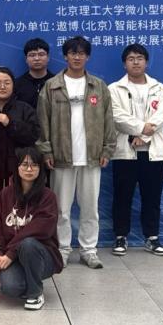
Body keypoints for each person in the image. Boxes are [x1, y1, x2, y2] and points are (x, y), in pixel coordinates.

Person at [36, 36, 116, 270]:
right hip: (61, 157)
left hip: (92, 156)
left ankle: (89, 250)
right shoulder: (52, 86)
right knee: (61, 209)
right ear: (65, 56)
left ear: (87, 56)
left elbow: (108, 120)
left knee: (90, 208)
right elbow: (43, 121)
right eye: (73, 53)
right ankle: (62, 250)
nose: (77, 57)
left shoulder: (98, 86)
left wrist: (107, 149)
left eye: (81, 53)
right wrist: (47, 150)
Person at [0, 67, 40, 282]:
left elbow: (33, 134)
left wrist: (9, 123)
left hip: (18, 172)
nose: (2, 86)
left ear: (13, 85)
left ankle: (16, 256)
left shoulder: (24, 108)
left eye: (7, 82)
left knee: (16, 214)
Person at [109, 44, 163, 257]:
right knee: (122, 197)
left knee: (152, 198)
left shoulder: (159, 88)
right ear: (124, 63)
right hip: (125, 152)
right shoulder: (114, 89)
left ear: (146, 62)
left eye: (139, 58)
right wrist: (141, 129)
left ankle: (152, 237)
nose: (135, 62)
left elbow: (162, 115)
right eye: (131, 58)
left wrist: (143, 136)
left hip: (155, 153)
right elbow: (117, 117)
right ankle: (120, 236)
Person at [0, 147, 63, 310]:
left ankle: (35, 293)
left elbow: (41, 229)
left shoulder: (48, 196)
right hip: (13, 256)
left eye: (34, 165)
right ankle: (30, 279)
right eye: (24, 164)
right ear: (17, 167)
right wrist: (1, 253)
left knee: (28, 243)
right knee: (10, 288)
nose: (29, 169)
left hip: (42, 255)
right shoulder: (5, 194)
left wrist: (10, 253)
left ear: (40, 168)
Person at [15, 38, 55, 110]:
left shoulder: (57, 82)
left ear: (48, 57)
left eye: (41, 54)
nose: (37, 58)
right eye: (32, 55)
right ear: (26, 59)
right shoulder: (17, 84)